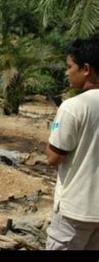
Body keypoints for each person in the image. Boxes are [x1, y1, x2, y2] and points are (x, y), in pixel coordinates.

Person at [46, 34, 99, 250]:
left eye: (70, 67)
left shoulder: (73, 107)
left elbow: (53, 157)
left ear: (86, 68)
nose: (67, 73)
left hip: (75, 212)